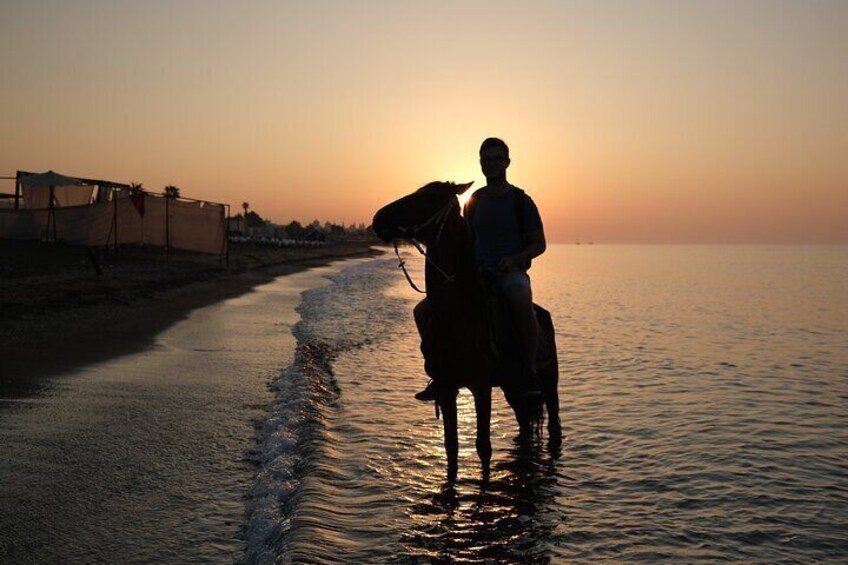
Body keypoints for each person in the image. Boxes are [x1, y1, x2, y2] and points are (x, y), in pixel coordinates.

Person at [415, 137, 547, 401]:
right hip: (477, 274)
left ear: (507, 162)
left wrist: (514, 259)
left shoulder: (522, 201)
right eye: (486, 159)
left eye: (497, 158)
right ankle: (440, 373)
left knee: (522, 301)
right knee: (422, 310)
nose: (491, 164)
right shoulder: (473, 201)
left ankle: (529, 371)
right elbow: (465, 241)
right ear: (480, 163)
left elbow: (539, 244)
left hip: (510, 273)